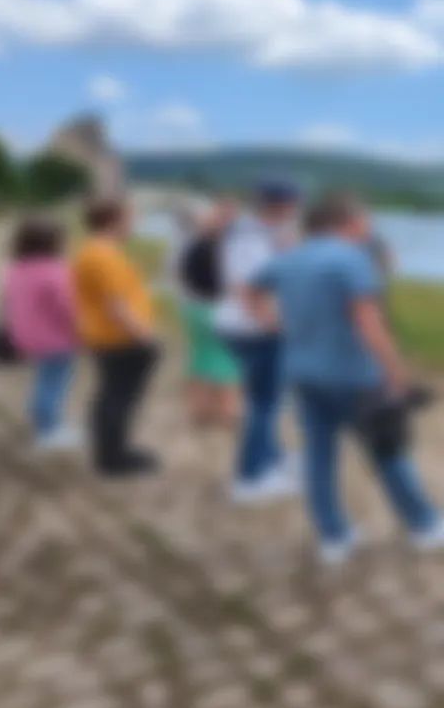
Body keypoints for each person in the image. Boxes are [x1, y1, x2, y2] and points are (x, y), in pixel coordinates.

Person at [247, 193, 443, 564]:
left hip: (303, 373)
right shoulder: (352, 259)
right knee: (388, 452)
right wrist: (396, 375)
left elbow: (250, 291)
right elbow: (368, 321)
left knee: (319, 456)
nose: (368, 228)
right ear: (348, 222)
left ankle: (334, 537)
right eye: (365, 221)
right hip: (356, 378)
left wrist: (274, 324)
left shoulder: (288, 258)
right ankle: (426, 525)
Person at [216, 181, 301, 502]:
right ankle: (251, 478)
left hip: (245, 326)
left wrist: (287, 248)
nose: (296, 212)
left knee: (267, 399)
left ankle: (272, 458)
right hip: (254, 330)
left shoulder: (257, 232)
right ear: (278, 205)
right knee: (264, 404)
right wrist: (273, 323)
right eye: (293, 205)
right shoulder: (249, 238)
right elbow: (246, 288)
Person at [72, 198, 161, 476]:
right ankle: (113, 458)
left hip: (114, 338)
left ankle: (112, 451)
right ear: (114, 220)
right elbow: (115, 305)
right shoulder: (102, 254)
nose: (133, 223)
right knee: (117, 398)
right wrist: (145, 336)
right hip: (119, 340)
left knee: (115, 397)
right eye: (130, 217)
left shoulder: (100, 250)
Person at [3, 216, 81, 450]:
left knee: (42, 382)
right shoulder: (54, 271)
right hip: (55, 339)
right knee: (54, 384)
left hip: (26, 337)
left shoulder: (17, 268)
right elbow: (68, 308)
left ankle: (39, 421)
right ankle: (48, 431)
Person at [173, 199, 241, 431]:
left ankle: (199, 409)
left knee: (201, 359)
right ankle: (227, 412)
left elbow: (182, 276)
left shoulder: (193, 245)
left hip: (195, 307)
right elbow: (229, 283)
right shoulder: (220, 248)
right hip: (217, 308)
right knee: (228, 363)